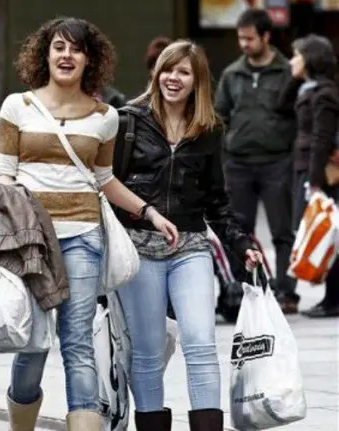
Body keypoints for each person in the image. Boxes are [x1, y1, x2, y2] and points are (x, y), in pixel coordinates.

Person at [0, 17, 178, 430]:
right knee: (34, 345)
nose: (67, 55)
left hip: (83, 237)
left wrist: (149, 213)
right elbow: (4, 174)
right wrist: (2, 218)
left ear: (89, 60)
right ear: (45, 54)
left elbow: (104, 180)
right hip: (31, 242)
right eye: (59, 47)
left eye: (76, 49)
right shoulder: (17, 107)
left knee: (77, 341)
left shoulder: (105, 117)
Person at [114, 40, 262, 431]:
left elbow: (217, 201)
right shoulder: (128, 122)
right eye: (168, 69)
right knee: (147, 351)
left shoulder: (208, 130)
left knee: (200, 343)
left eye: (184, 72)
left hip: (190, 247)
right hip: (139, 249)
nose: (173, 78)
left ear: (197, 82)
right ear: (156, 72)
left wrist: (242, 244)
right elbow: (109, 187)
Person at [215, 9, 300, 313]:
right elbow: (219, 116)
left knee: (282, 231)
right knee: (239, 229)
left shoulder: (288, 72)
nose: (244, 44)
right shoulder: (231, 74)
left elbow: (300, 114)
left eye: (250, 38)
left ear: (266, 36)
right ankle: (244, 291)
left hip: (277, 162)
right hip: (238, 164)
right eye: (241, 38)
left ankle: (286, 292)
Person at [289, 34, 339, 318]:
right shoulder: (307, 89)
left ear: (310, 59)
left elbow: (322, 138)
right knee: (318, 232)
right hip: (307, 170)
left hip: (318, 174)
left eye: (296, 56)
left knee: (326, 232)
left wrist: (315, 182)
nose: (291, 61)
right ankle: (330, 298)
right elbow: (281, 102)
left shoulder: (324, 93)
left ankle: (334, 299)